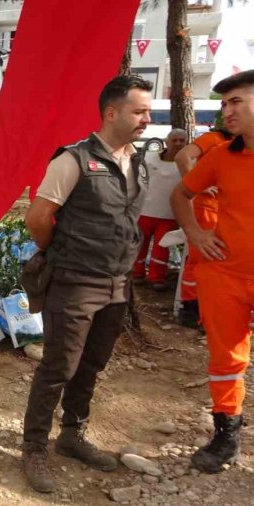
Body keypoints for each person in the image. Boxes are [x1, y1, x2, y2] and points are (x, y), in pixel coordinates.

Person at [21, 75, 153, 493]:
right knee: (58, 366)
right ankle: (34, 448)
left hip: (117, 285)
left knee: (92, 365)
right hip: (75, 282)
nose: (146, 119)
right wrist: (58, 252)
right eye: (139, 111)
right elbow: (37, 219)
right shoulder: (73, 161)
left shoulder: (138, 161)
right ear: (111, 113)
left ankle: (72, 435)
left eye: (148, 111)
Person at [169, 69, 254, 474]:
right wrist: (195, 232)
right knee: (225, 360)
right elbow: (181, 193)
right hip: (225, 276)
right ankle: (227, 434)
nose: (226, 111)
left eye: (236, 101)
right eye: (223, 104)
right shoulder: (221, 155)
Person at [173, 126, 235, 328]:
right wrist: (196, 184)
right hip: (206, 208)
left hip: (222, 210)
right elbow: (183, 157)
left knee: (214, 258)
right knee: (201, 257)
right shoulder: (214, 138)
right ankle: (190, 309)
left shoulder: (239, 144)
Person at [132, 129, 187, 290]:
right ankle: (136, 273)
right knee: (140, 245)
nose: (177, 144)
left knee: (162, 247)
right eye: (174, 140)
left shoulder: (188, 164)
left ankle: (157, 278)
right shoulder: (149, 158)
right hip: (145, 211)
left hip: (169, 214)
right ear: (166, 141)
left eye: (181, 141)